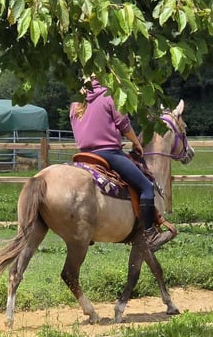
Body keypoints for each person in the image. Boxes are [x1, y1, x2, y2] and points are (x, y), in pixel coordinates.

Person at [70, 75, 173, 252]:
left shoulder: (75, 103)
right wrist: (137, 143)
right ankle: (151, 234)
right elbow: (124, 124)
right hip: (109, 154)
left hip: (83, 156)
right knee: (146, 187)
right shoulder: (110, 96)